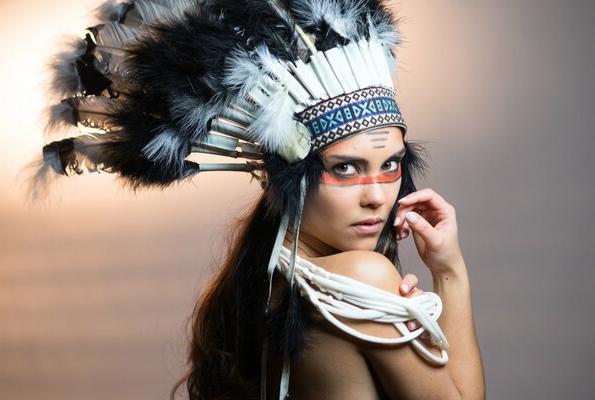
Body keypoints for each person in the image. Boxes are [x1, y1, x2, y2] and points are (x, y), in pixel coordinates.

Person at [31, 0, 485, 398]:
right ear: (288, 177)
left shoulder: (269, 278)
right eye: (344, 168)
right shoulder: (361, 275)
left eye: (390, 165)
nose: (376, 197)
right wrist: (450, 272)